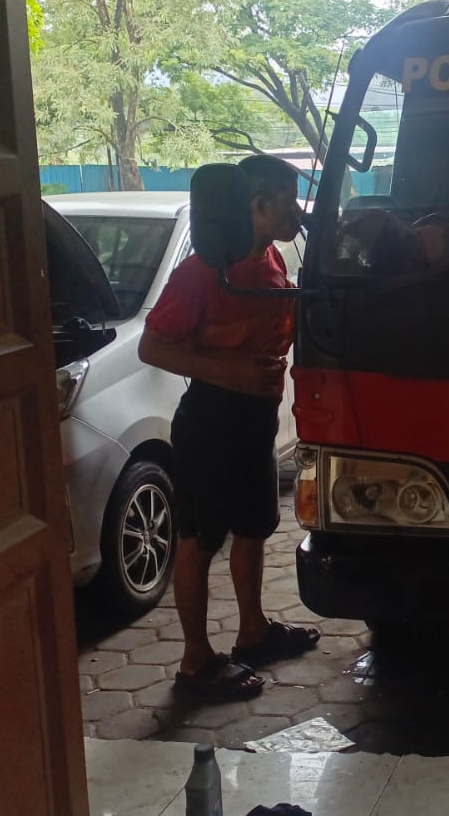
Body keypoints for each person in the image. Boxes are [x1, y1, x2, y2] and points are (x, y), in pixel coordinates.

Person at [139, 154, 319, 701]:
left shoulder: (272, 259)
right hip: (212, 421)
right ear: (257, 206)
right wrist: (232, 372)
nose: (298, 211)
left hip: (254, 420)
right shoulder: (202, 272)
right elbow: (152, 346)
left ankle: (253, 632)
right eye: (288, 201)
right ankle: (195, 662)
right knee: (200, 538)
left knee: (253, 526)